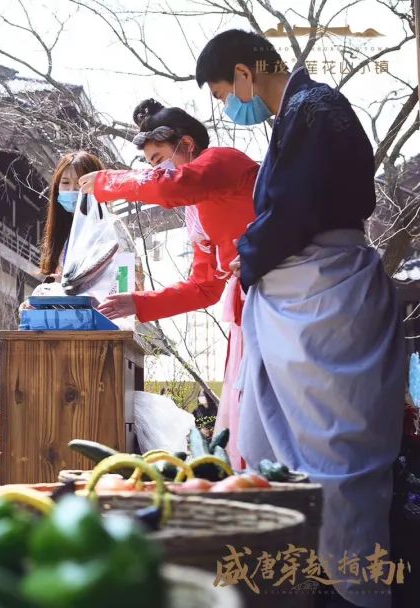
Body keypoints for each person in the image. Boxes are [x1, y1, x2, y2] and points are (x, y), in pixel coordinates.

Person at [197, 30, 404, 608]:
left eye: (221, 94)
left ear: (244, 73)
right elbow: (290, 209)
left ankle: (349, 590)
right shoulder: (304, 112)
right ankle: (317, 583)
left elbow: (294, 208)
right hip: (312, 292)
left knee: (333, 456)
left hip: (323, 293)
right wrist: (254, 251)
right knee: (305, 453)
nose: (227, 107)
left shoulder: (313, 109)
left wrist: (251, 252)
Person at [77, 99, 258, 467]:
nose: (155, 171)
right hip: (247, 307)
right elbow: (205, 286)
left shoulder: (223, 161)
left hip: (277, 288)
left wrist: (108, 182)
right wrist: (139, 303)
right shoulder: (196, 210)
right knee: (252, 418)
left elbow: (174, 185)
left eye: (159, 160)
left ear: (187, 145)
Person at [39, 151, 106, 279]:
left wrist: (65, 282)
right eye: (65, 183)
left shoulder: (106, 231)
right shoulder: (62, 233)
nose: (72, 190)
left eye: (81, 183)